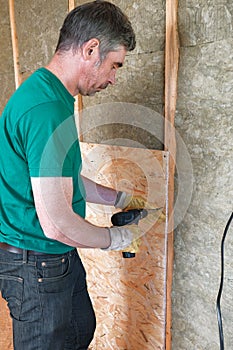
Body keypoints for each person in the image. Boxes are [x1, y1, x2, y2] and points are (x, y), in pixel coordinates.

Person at [0, 1, 153, 349]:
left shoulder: (53, 96)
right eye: (115, 65)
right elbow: (55, 222)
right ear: (91, 49)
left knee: (80, 329)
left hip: (54, 256)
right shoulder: (45, 110)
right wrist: (117, 239)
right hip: (35, 263)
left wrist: (118, 199)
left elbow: (59, 179)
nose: (114, 78)